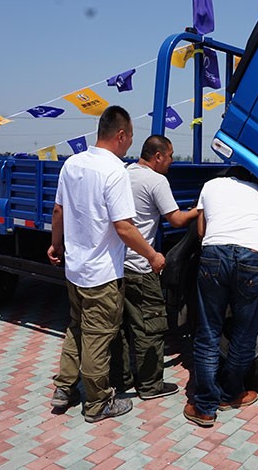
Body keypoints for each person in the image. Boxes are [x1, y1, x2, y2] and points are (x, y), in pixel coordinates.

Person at [47, 105, 166, 423]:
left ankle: (64, 388)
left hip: (75, 270)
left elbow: (58, 211)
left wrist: (56, 244)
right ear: (121, 135)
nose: (131, 144)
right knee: (98, 336)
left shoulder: (72, 163)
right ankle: (98, 402)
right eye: (131, 137)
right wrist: (152, 255)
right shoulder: (115, 171)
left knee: (76, 328)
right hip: (101, 275)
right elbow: (124, 227)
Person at [183, 166, 258, 427]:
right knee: (245, 332)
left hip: (214, 255)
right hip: (252, 256)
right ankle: (231, 394)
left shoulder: (210, 186)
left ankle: (204, 407)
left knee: (208, 332)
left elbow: (201, 231)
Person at [110, 135, 199, 400]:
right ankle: (150, 386)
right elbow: (177, 219)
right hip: (141, 264)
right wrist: (198, 209)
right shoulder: (156, 180)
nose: (171, 161)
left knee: (120, 328)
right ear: (158, 156)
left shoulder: (124, 173)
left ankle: (120, 379)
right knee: (149, 326)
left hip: (117, 265)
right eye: (170, 156)